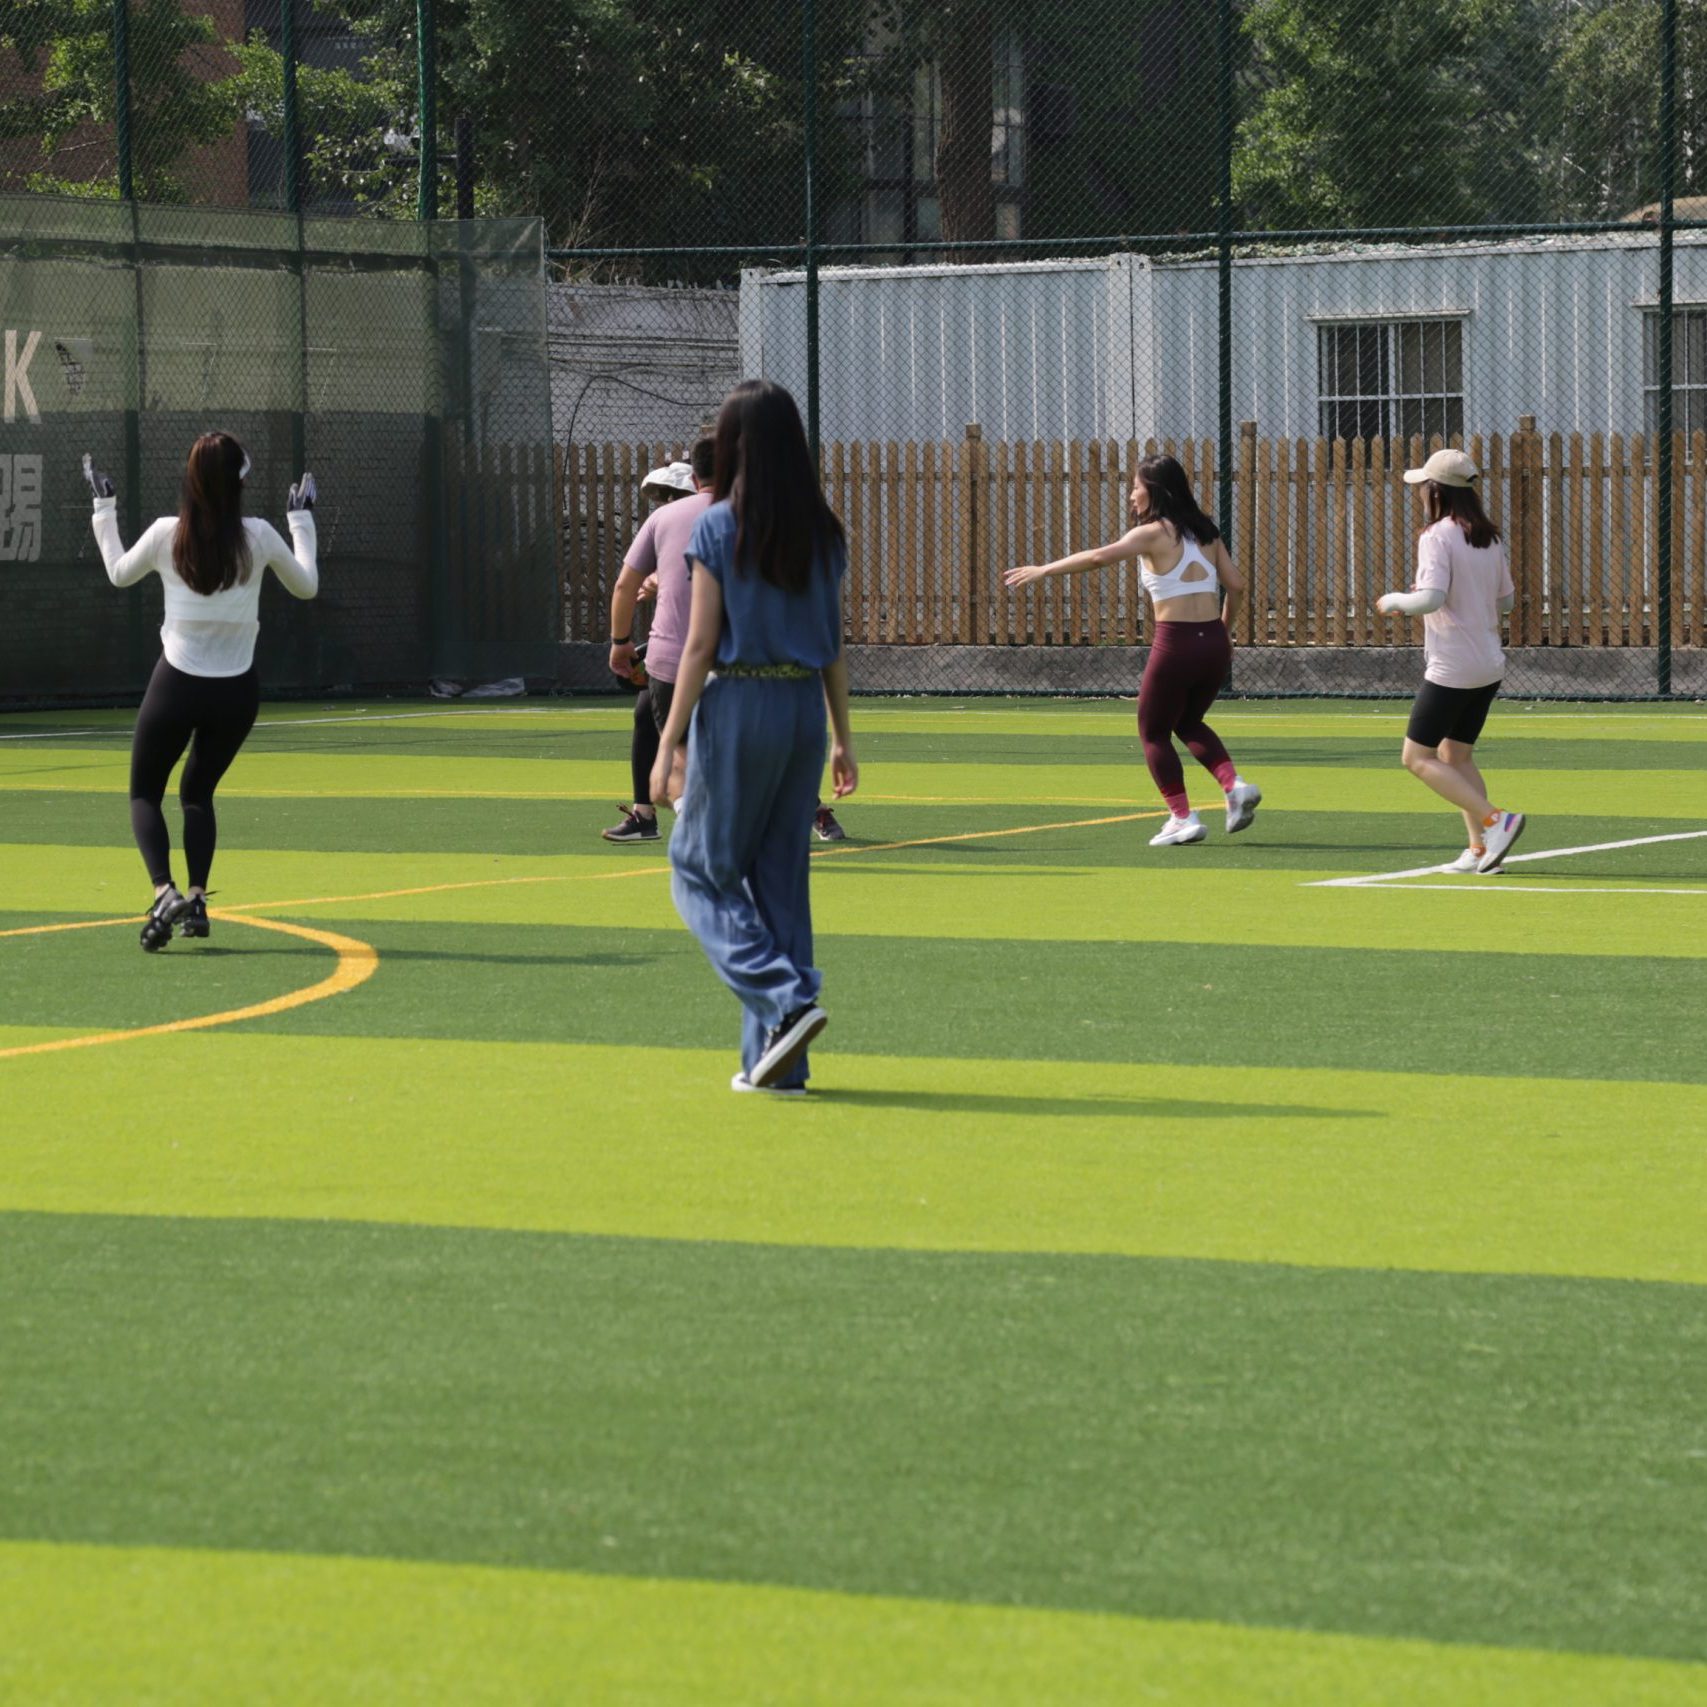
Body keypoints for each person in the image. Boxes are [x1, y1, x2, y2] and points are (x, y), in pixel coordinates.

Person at [650, 379, 856, 1094]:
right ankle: (777, 1066)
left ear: (734, 445)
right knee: (780, 886)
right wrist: (843, 737)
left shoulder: (718, 526)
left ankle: (783, 999)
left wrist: (668, 740)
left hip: (740, 704)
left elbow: (700, 643)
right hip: (801, 711)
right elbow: (832, 644)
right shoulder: (822, 532)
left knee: (698, 869)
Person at [88, 433, 318, 949]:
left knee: (144, 793)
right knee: (197, 793)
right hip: (236, 693)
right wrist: (301, 518)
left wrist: (104, 508)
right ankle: (195, 900)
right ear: (239, 483)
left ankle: (164, 891)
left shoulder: (166, 533)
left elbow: (118, 573)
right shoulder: (259, 536)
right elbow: (307, 586)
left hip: (177, 685)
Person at [1003, 453, 1260, 845]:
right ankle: (1233, 785)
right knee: (1188, 722)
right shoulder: (1207, 531)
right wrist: (1224, 631)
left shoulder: (1152, 533)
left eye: (1136, 486)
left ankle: (1182, 817)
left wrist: (1044, 570)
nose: (1131, 495)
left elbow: (1097, 558)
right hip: (1212, 644)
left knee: (1152, 731)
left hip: (1176, 643)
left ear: (1154, 490)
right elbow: (1237, 586)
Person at [1376, 447, 1525, 873]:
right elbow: (1507, 602)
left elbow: (1430, 599)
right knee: (1456, 756)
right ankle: (1480, 850)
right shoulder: (1489, 537)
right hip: (1487, 664)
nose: (1420, 492)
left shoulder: (1436, 535)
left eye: (1424, 486)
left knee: (1416, 758)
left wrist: (1394, 600)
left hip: (1454, 666)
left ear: (1437, 491)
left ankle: (1497, 820)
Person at [602, 458, 699, 842]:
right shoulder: (672, 524)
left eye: (673, 494)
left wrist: (620, 643)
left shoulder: (714, 521)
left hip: (713, 651)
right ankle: (644, 815)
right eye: (664, 496)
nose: (666, 502)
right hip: (681, 651)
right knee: (646, 715)